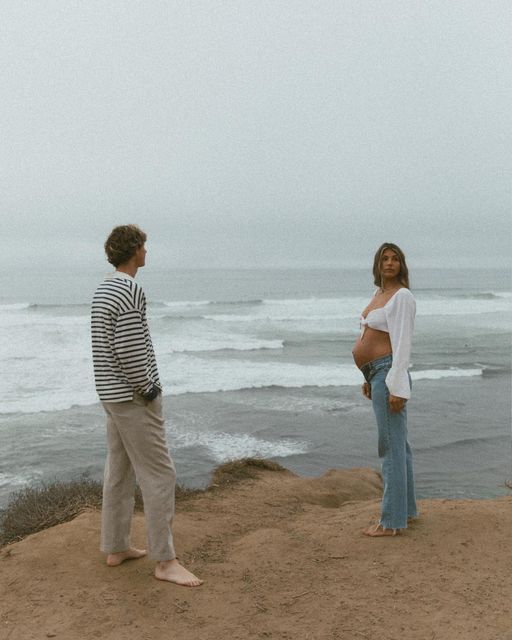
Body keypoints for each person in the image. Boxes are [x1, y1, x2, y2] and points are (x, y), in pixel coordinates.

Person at [91, 224, 202, 586]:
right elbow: (128, 347)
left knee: (119, 471)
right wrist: (149, 388)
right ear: (134, 249)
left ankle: (116, 546)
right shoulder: (129, 289)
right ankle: (165, 561)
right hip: (133, 397)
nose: (147, 252)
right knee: (160, 474)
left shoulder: (103, 288)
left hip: (110, 395)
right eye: (144, 246)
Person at [352, 242, 417, 536]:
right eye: (384, 259)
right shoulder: (378, 294)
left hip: (388, 372)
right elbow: (367, 334)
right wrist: (367, 377)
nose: (389, 263)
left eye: (395, 259)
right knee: (399, 445)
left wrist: (397, 386)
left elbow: (402, 344)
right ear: (378, 266)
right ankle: (408, 511)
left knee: (390, 447)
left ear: (401, 265)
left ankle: (390, 522)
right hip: (376, 373)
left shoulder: (402, 296)